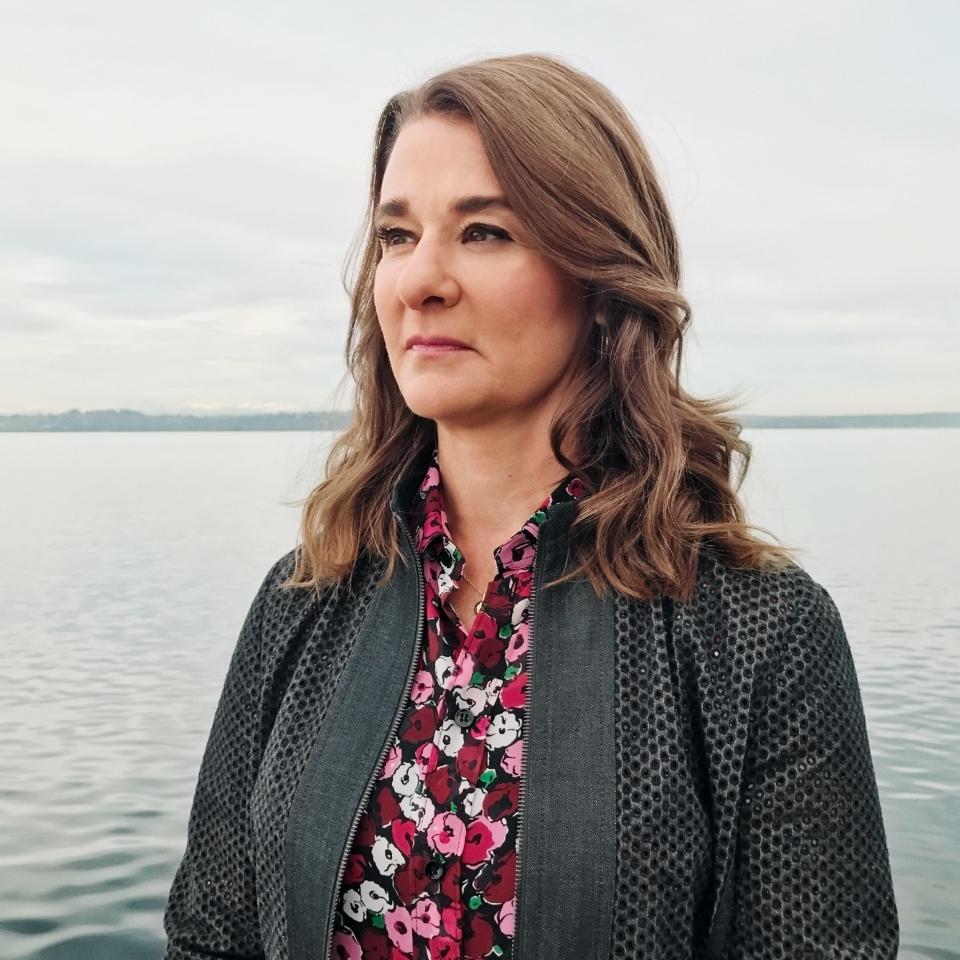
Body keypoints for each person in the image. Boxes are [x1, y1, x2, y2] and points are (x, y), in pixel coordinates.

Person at [162, 52, 899, 960]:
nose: (420, 279)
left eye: (484, 233)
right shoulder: (303, 600)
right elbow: (209, 935)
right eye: (397, 236)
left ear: (599, 276)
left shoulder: (758, 630)